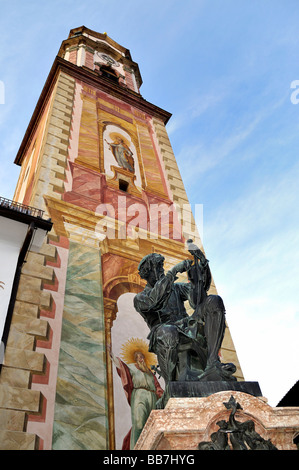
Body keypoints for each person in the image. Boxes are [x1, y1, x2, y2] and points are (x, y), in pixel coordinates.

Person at [133, 252, 236, 390]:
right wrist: (174, 271)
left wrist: (201, 271)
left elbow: (197, 298)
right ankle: (172, 386)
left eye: (161, 267)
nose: (161, 270)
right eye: (157, 268)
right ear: (147, 273)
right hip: (163, 331)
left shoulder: (175, 288)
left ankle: (213, 364)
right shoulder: (140, 298)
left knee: (213, 301)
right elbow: (154, 300)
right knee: (169, 331)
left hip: (187, 325)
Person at [108, 343, 163, 450]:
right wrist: (112, 355)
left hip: (151, 397)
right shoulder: (132, 368)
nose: (141, 359)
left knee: (150, 425)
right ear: (135, 359)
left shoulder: (148, 372)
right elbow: (122, 367)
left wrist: (162, 395)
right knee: (139, 424)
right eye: (138, 358)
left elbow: (157, 386)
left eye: (142, 357)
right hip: (139, 396)